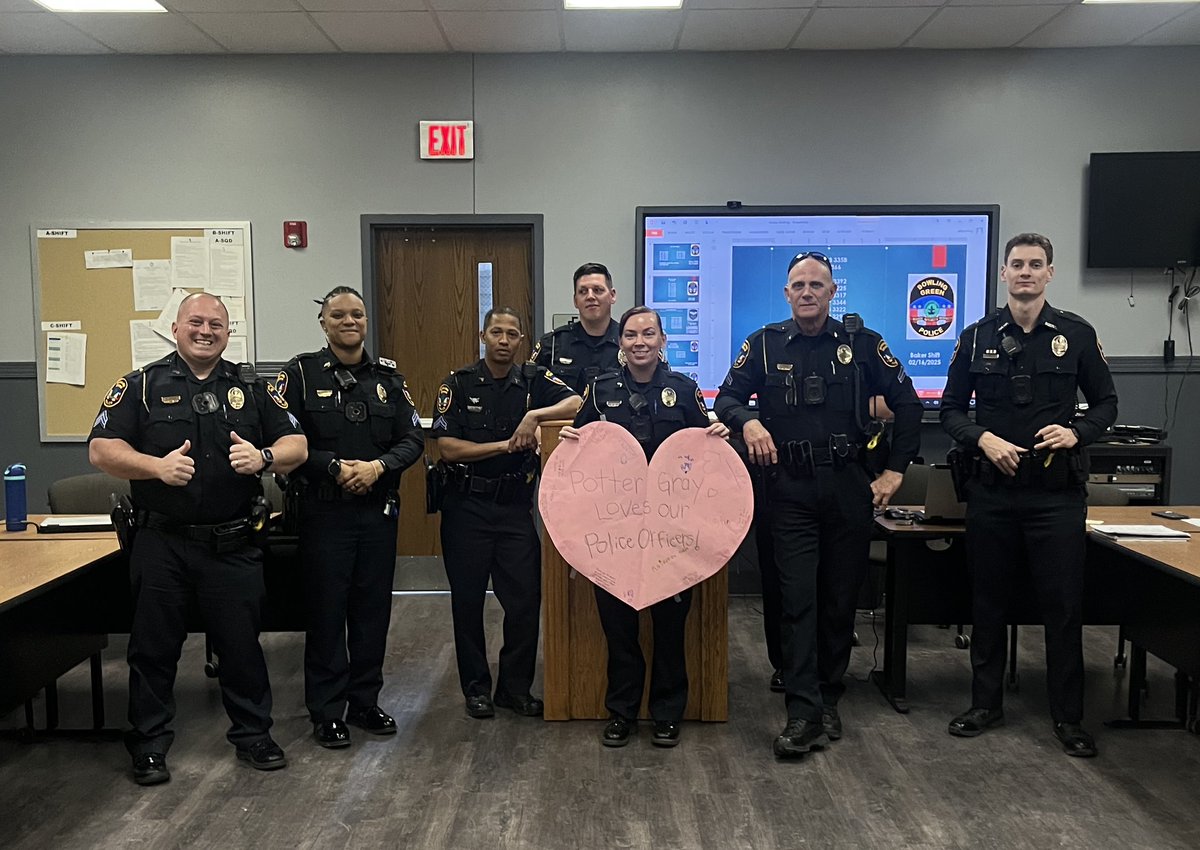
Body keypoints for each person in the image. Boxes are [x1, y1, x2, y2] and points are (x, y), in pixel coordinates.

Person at [88, 292, 307, 786]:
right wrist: (155, 467)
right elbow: (101, 449)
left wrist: (266, 459)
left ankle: (253, 735)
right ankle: (148, 744)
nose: (206, 331)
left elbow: (298, 443)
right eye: (196, 322)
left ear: (228, 332)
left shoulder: (251, 388)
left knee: (241, 646)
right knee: (153, 648)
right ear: (177, 327)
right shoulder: (141, 385)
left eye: (216, 324)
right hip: (162, 543)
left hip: (233, 543)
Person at [714, 251, 922, 759]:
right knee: (797, 598)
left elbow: (910, 403)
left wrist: (895, 470)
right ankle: (803, 710)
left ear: (832, 293)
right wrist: (750, 421)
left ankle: (829, 695)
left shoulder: (863, 344)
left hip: (849, 486)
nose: (807, 292)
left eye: (817, 285)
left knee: (838, 597)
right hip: (788, 489)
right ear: (786, 294)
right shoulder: (763, 344)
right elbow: (726, 398)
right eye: (798, 285)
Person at [941, 232, 1118, 757]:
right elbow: (950, 409)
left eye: (1035, 265)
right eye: (1016, 264)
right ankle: (984, 704)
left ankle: (1068, 717)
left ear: (1049, 274)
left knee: (1062, 606)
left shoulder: (1076, 335)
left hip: (1055, 496)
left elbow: (1106, 404)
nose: (1025, 272)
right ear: (1003, 273)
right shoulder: (975, 337)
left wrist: (1077, 433)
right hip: (993, 494)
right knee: (988, 603)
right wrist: (982, 437)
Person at [561, 306, 729, 748]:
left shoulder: (684, 390)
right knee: (618, 629)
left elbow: (701, 453)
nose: (639, 342)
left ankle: (666, 714)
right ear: (621, 343)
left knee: (670, 629)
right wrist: (569, 442)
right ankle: (622, 713)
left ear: (661, 342)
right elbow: (581, 450)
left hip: (672, 535)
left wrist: (716, 438)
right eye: (631, 334)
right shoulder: (600, 391)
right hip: (613, 534)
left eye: (648, 334)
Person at [279, 286, 424, 749]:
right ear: (323, 323)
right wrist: (335, 467)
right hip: (324, 512)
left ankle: (364, 702)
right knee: (325, 613)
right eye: (338, 315)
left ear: (366, 321)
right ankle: (327, 711)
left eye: (357, 314)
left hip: (377, 513)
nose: (349, 321)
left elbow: (413, 438)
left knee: (372, 612)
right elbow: (286, 439)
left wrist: (378, 467)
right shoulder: (299, 375)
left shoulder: (388, 379)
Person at [431, 307, 581, 719]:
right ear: (483, 335)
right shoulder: (458, 384)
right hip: (467, 508)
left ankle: (514, 689)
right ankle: (476, 689)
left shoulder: (532, 381)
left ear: (520, 342)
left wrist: (534, 417)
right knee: (467, 603)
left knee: (525, 601)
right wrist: (504, 445)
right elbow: (447, 448)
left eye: (512, 334)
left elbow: (576, 399)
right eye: (496, 331)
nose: (503, 340)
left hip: (515, 508)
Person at [530, 262, 620, 394]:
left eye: (598, 290)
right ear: (575, 300)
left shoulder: (629, 342)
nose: (590, 296)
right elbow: (533, 393)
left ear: (612, 295)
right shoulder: (553, 344)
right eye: (583, 292)